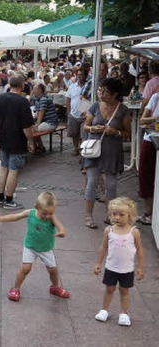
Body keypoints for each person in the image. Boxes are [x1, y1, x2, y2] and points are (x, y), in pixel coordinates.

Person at [0, 191, 69, 302]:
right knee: (25, 269)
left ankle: (55, 287)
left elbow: (60, 227)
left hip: (46, 249)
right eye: (44, 213)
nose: (47, 216)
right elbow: (15, 216)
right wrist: (1, 218)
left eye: (50, 213)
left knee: (53, 270)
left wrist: (62, 232)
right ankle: (15, 289)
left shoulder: (51, 217)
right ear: (36, 207)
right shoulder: (30, 213)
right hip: (30, 247)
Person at [83, 78, 131, 229]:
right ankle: (88, 216)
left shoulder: (123, 110)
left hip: (112, 151)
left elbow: (127, 133)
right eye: (100, 90)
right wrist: (92, 129)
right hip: (94, 150)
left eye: (105, 91)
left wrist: (115, 131)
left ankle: (110, 215)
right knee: (92, 183)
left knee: (111, 185)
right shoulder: (95, 106)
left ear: (115, 94)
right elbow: (85, 126)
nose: (101, 93)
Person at [94, 197, 144, 326]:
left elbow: (140, 250)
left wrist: (140, 267)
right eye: (114, 214)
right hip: (111, 267)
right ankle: (104, 310)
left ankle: (124, 313)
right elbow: (103, 247)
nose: (117, 217)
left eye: (121, 215)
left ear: (130, 215)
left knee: (124, 291)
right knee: (109, 289)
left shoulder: (134, 232)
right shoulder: (109, 230)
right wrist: (99, 263)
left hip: (127, 269)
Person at [0, 75, 35, 210]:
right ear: (22, 85)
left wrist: (0, 130)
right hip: (17, 139)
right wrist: (30, 141)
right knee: (13, 170)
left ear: (10, 84)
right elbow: (26, 127)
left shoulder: (1, 98)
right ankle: (9, 200)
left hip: (4, 137)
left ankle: (0, 198)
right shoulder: (23, 102)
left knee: (3, 168)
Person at [137, 90, 159, 225]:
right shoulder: (156, 98)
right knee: (145, 176)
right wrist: (155, 118)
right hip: (151, 140)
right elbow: (142, 120)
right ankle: (149, 212)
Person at [66, 68, 90, 156]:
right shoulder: (72, 86)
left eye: (82, 75)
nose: (80, 77)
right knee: (74, 133)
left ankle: (83, 149)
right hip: (73, 114)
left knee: (83, 134)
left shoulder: (89, 86)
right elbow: (68, 99)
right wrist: (69, 112)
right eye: (78, 75)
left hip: (85, 115)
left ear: (86, 76)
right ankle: (76, 148)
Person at [31, 82, 59, 154]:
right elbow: (38, 113)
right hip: (47, 122)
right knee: (31, 128)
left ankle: (37, 147)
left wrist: (37, 124)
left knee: (33, 130)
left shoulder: (43, 99)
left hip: (51, 123)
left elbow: (41, 112)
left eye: (34, 89)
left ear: (40, 90)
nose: (33, 91)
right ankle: (39, 147)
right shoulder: (39, 99)